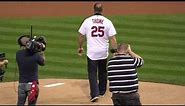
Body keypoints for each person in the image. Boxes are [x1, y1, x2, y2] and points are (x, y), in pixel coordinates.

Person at [77, 2, 118, 102]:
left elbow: (81, 35)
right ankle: (102, 91)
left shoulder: (87, 21)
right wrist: (114, 50)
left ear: (94, 10)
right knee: (103, 71)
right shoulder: (107, 22)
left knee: (92, 73)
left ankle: (94, 94)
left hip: (92, 52)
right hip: (103, 52)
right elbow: (112, 38)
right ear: (102, 10)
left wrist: (80, 47)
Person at [16, 35, 46, 105]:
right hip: (32, 86)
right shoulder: (36, 56)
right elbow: (43, 62)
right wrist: (41, 51)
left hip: (21, 85)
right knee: (32, 104)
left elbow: (24, 50)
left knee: (20, 103)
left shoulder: (18, 54)